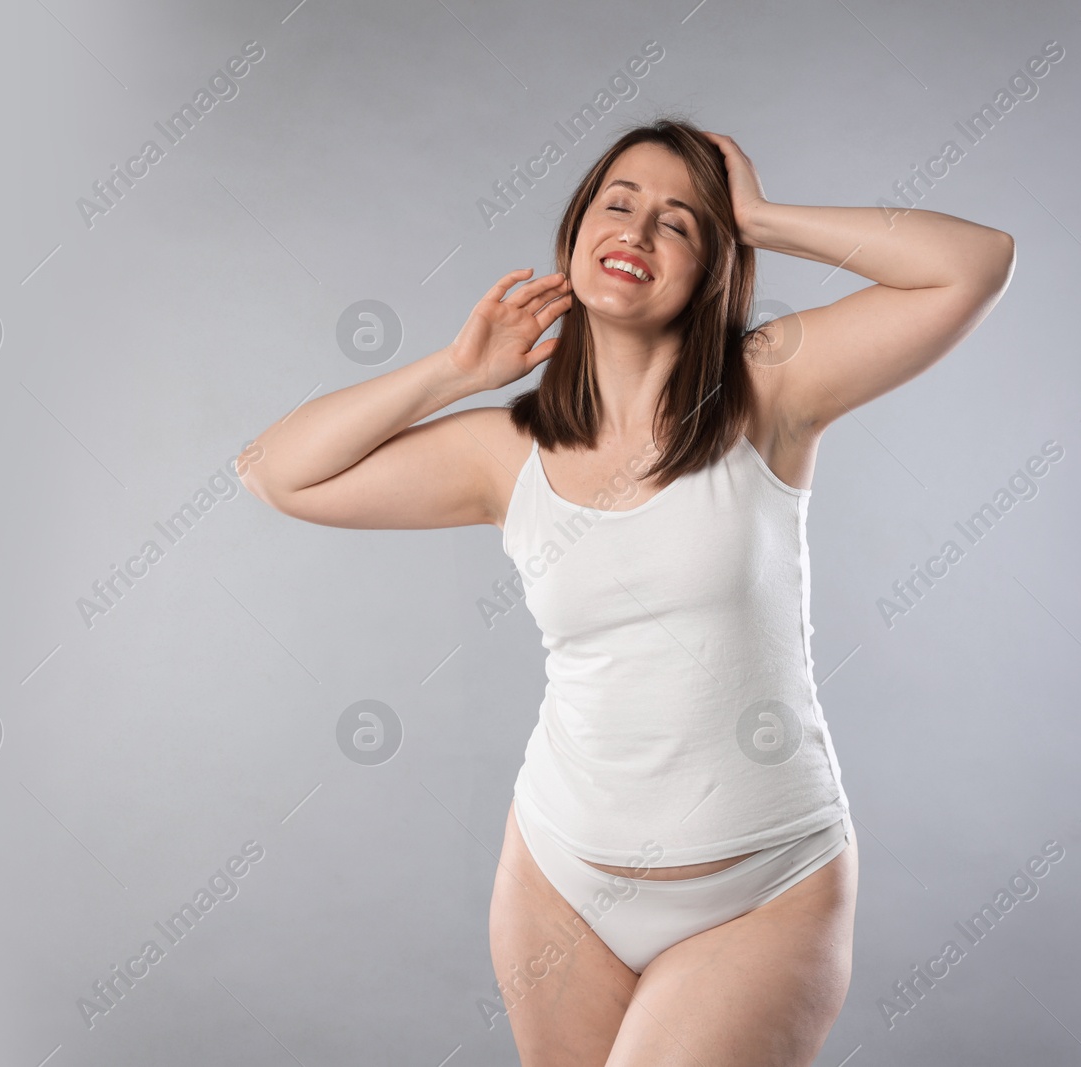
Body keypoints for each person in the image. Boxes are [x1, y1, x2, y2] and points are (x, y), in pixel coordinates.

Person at [240, 117, 1015, 1066]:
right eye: (619, 205)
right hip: (559, 877)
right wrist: (455, 371)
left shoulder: (768, 389)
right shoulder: (507, 453)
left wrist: (763, 216)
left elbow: (972, 264)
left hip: (760, 887)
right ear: (574, 235)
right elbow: (277, 471)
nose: (639, 233)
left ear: (713, 266)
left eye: (681, 224)